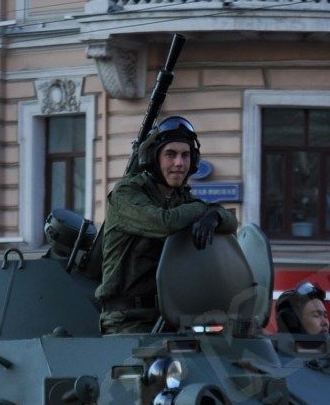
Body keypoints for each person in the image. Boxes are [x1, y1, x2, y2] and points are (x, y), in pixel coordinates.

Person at [96, 117, 235, 333]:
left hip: (171, 316)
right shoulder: (126, 193)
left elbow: (231, 221)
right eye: (170, 154)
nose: (179, 163)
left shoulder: (182, 199)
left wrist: (214, 217)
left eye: (185, 155)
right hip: (127, 321)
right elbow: (164, 222)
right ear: (154, 158)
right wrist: (204, 210)